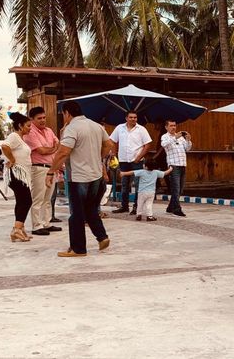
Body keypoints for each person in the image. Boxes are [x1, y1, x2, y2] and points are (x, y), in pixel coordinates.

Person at [47, 101, 112, 258]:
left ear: (67, 113)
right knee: (90, 209)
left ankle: (78, 248)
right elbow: (109, 144)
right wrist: (97, 157)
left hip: (79, 176)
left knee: (76, 214)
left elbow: (63, 152)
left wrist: (51, 172)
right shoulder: (96, 126)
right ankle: (102, 237)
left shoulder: (72, 128)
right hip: (95, 175)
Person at [23, 106, 62, 237]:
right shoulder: (30, 132)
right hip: (38, 167)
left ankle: (46, 222)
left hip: (51, 168)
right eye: (39, 118)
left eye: (44, 117)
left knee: (48, 198)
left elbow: (58, 145)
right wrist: (53, 148)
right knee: (38, 198)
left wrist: (51, 148)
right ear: (32, 119)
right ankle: (36, 225)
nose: (43, 120)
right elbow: (41, 150)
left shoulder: (49, 130)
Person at [109, 111, 152, 215]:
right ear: (126, 118)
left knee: (138, 185)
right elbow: (112, 140)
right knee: (124, 184)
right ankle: (124, 206)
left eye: (135, 117)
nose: (133, 119)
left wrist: (139, 157)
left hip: (136, 161)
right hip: (123, 160)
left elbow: (148, 144)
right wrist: (114, 153)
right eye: (131, 117)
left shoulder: (141, 129)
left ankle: (136, 207)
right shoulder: (119, 128)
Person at [1, 113, 34, 243]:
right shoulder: (14, 136)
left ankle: (20, 228)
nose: (30, 128)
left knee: (22, 201)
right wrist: (12, 159)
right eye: (28, 126)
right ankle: (17, 229)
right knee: (26, 200)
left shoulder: (20, 139)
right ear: (20, 126)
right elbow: (4, 146)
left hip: (22, 174)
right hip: (17, 174)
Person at [161, 120, 192, 217]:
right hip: (173, 165)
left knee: (180, 189)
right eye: (171, 126)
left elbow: (187, 149)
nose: (173, 127)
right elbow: (164, 145)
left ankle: (170, 207)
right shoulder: (165, 137)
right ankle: (177, 209)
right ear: (166, 127)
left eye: (174, 125)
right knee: (176, 188)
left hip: (182, 164)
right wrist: (175, 138)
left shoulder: (180, 137)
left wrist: (188, 140)